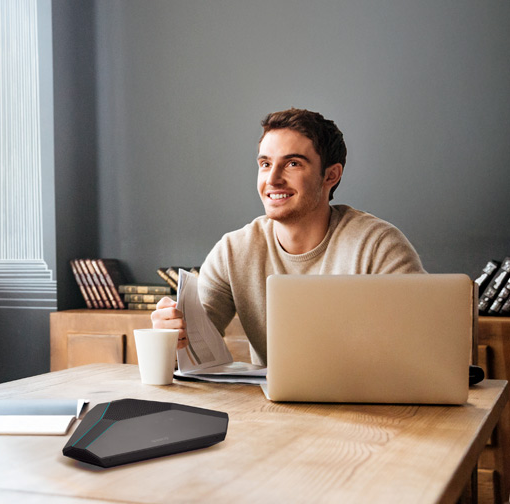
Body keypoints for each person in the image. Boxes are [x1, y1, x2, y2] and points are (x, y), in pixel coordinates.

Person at [151, 108, 424, 365]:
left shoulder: (379, 246)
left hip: (367, 408)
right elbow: (190, 351)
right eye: (266, 163)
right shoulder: (233, 251)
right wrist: (171, 334)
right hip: (273, 411)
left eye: (293, 163)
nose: (273, 179)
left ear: (331, 175)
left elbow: (422, 346)